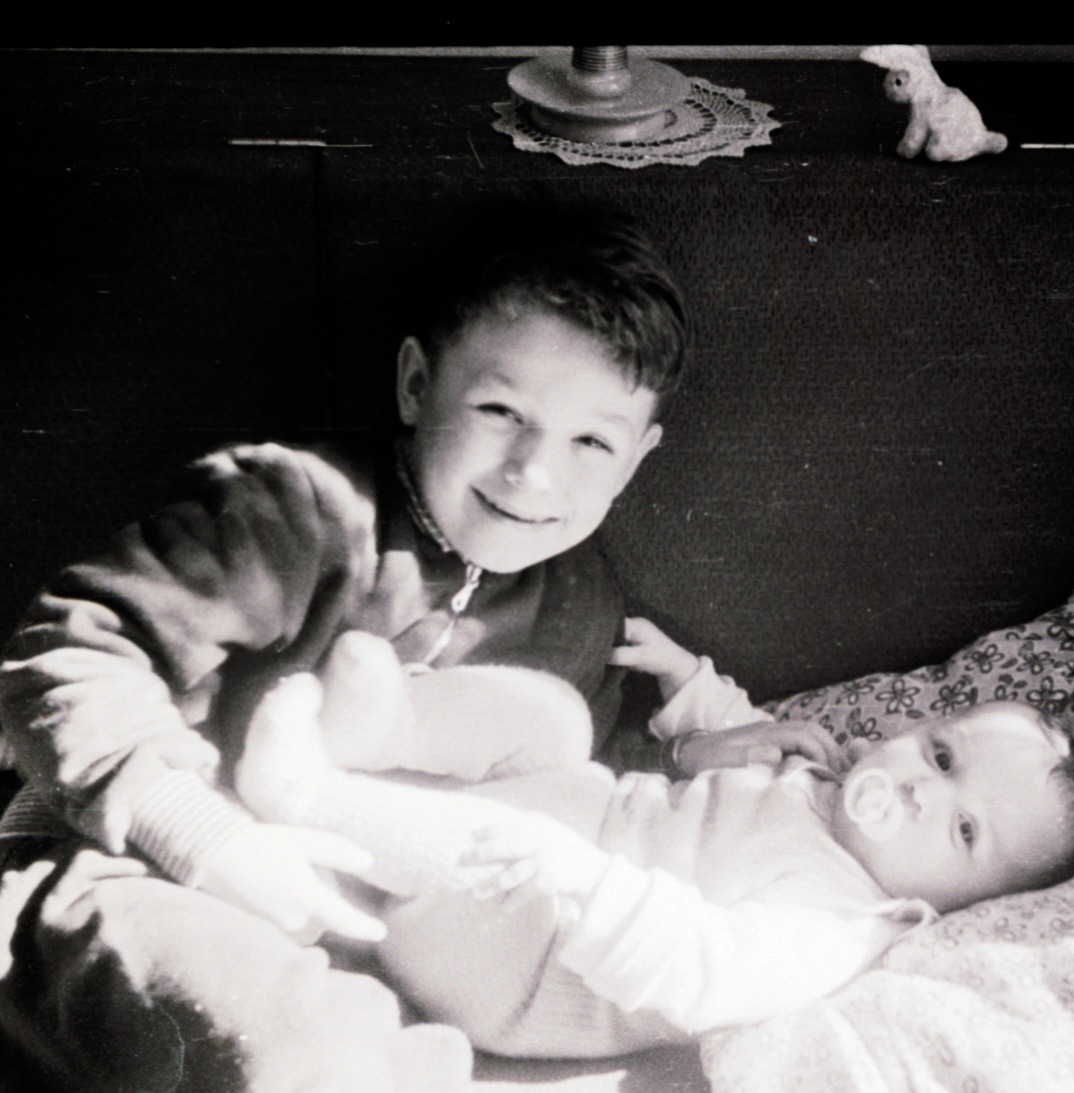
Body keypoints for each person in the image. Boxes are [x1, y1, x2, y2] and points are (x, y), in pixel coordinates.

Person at [0, 206, 705, 1090]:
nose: (534, 470)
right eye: (500, 409)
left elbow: (566, 787)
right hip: (133, 864)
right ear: (416, 383)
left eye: (591, 440)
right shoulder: (296, 508)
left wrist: (707, 746)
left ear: (637, 459)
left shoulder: (581, 600)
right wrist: (203, 836)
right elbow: (67, 651)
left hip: (363, 934)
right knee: (303, 1048)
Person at [230, 620, 1074, 1059]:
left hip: (529, 960)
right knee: (554, 717)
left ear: (947, 905)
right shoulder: (832, 775)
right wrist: (689, 685)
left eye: (962, 828)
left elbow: (703, 964)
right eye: (942, 752)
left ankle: (306, 795)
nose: (920, 788)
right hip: (572, 813)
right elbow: (744, 734)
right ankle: (377, 732)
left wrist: (578, 877)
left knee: (493, 841)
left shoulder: (840, 919)